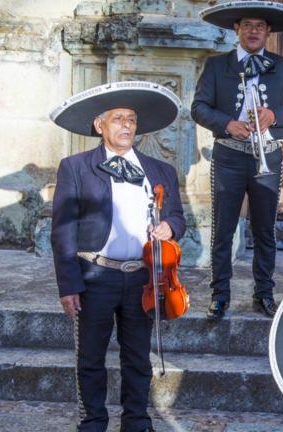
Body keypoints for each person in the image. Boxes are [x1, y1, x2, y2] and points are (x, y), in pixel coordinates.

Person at [49, 81, 186, 432]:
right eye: (118, 118)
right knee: (91, 358)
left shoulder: (161, 171)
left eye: (131, 119)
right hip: (96, 276)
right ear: (100, 125)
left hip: (143, 278)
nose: (126, 125)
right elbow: (63, 231)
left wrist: (170, 226)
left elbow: (178, 218)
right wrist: (69, 284)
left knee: (138, 358)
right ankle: (93, 422)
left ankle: (136, 422)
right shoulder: (76, 167)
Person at [193, 1, 283, 319]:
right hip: (229, 154)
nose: (254, 30)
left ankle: (264, 294)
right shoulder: (217, 66)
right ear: (237, 29)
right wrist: (226, 124)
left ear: (268, 31)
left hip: (267, 156)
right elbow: (199, 107)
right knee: (223, 228)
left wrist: (275, 115)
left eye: (260, 26)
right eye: (247, 25)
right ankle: (219, 294)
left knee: (264, 230)